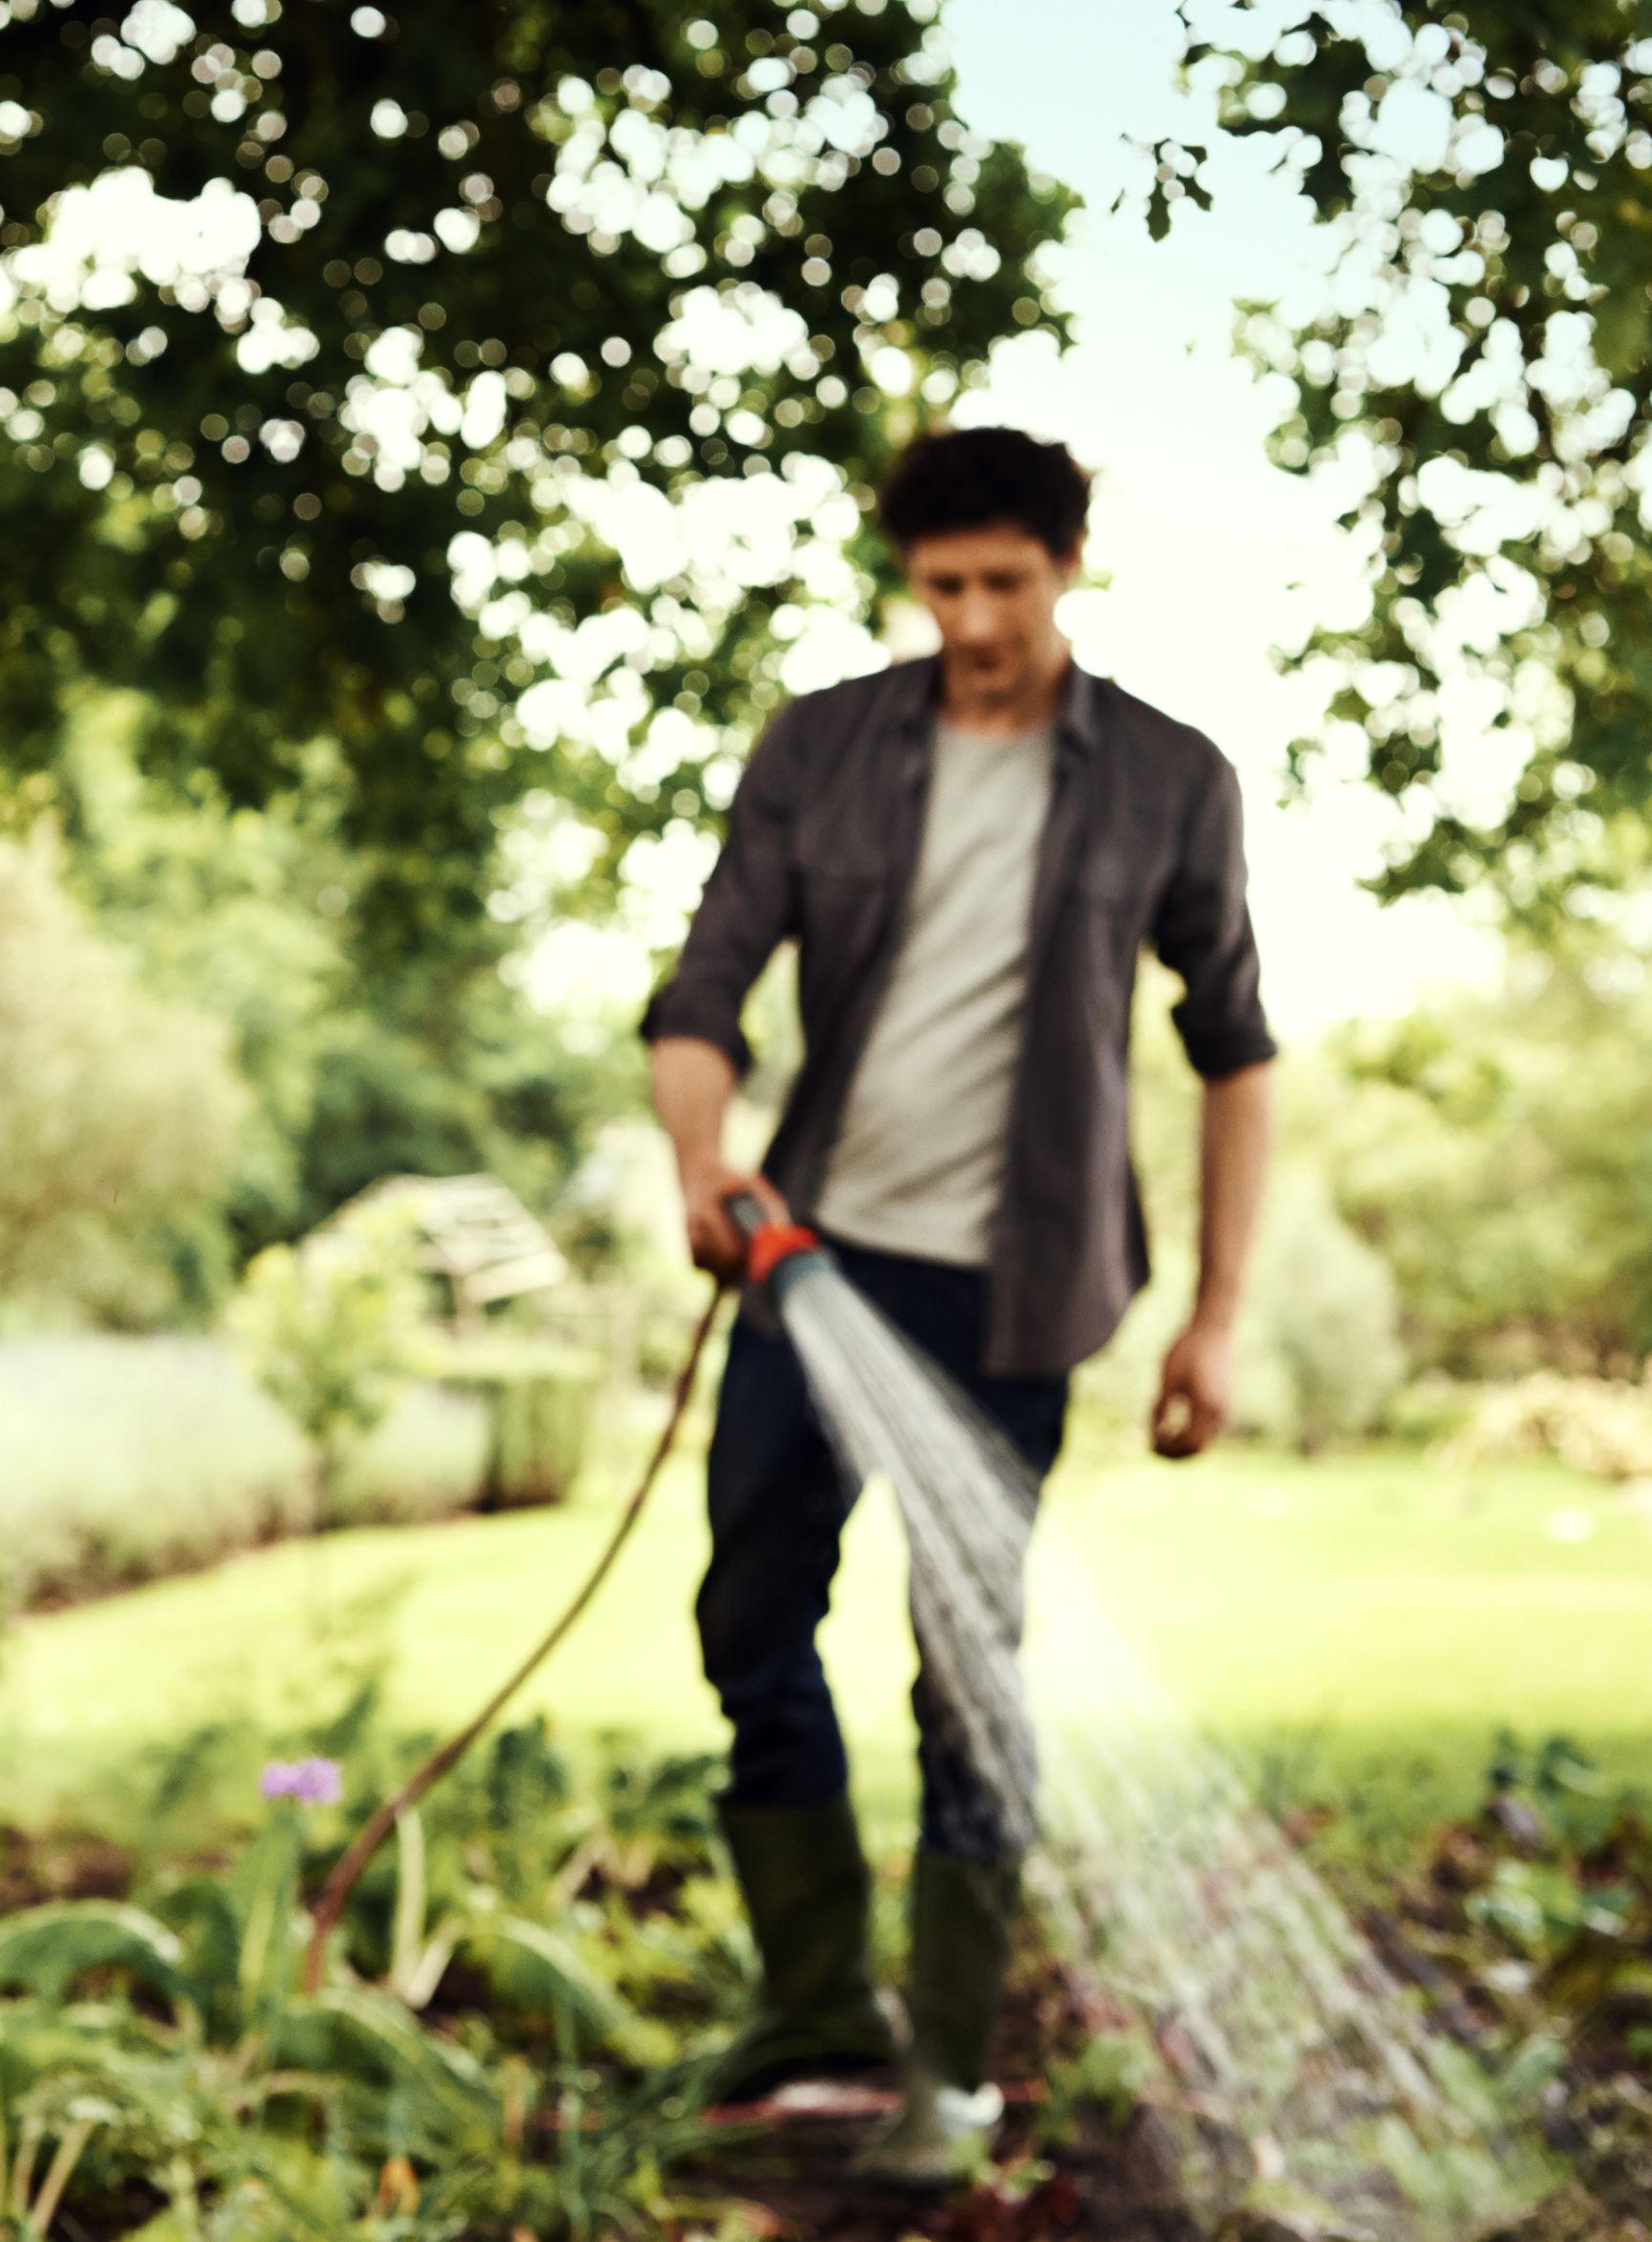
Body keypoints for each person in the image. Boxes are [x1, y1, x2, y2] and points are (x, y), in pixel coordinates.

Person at [640, 425, 1276, 2180]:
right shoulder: (822, 747)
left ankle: (951, 2069)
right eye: (942, 586)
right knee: (750, 1624)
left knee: (963, 1665)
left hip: (1017, 1293)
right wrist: (704, 1166)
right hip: (812, 1257)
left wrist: (1214, 1313)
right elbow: (702, 989)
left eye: (1006, 580)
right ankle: (815, 2019)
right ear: (907, 581)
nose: (976, 617)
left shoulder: (1169, 778)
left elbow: (1236, 1053)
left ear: (1069, 563)